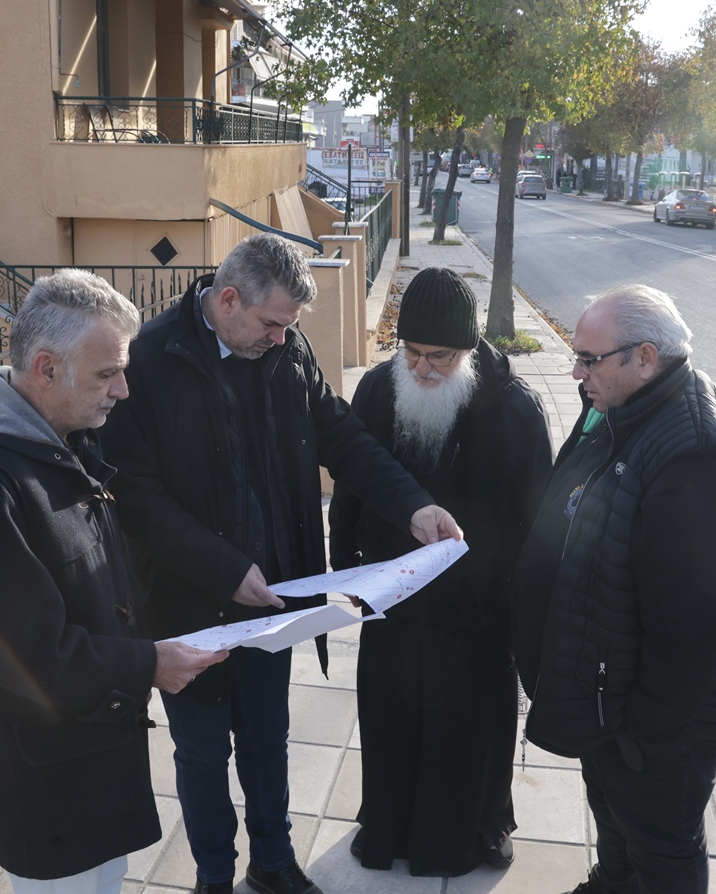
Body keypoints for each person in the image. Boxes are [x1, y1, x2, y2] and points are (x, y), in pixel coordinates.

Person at [100, 234, 462, 894]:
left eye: (287, 326)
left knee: (268, 738)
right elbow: (137, 497)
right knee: (202, 753)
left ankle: (273, 863)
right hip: (190, 605)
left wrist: (414, 506)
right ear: (227, 300)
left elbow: (342, 436)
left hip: (275, 601)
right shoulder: (149, 359)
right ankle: (214, 876)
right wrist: (223, 569)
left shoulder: (285, 347)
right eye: (271, 323)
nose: (280, 338)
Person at [0, 270, 226, 894]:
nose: (123, 389)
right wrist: (149, 664)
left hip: (89, 765)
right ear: (46, 368)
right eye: (106, 374)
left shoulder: (62, 443)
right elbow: (29, 656)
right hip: (46, 789)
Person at [511, 285, 716, 894]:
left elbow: (695, 631)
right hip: (616, 701)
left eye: (589, 359)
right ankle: (612, 884)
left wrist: (643, 730)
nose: (576, 373)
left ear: (646, 358)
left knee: (661, 844)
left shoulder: (692, 463)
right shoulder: (629, 408)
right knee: (615, 815)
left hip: (658, 728)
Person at [329, 268, 552, 877]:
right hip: (394, 599)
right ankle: (388, 825)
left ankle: (481, 825)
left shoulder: (515, 409)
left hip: (476, 610)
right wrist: (346, 564)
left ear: (469, 349)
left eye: (440, 357)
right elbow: (351, 482)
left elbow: (538, 523)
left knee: (471, 730)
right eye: (412, 352)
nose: (422, 369)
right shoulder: (378, 390)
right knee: (391, 720)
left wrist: (520, 606)